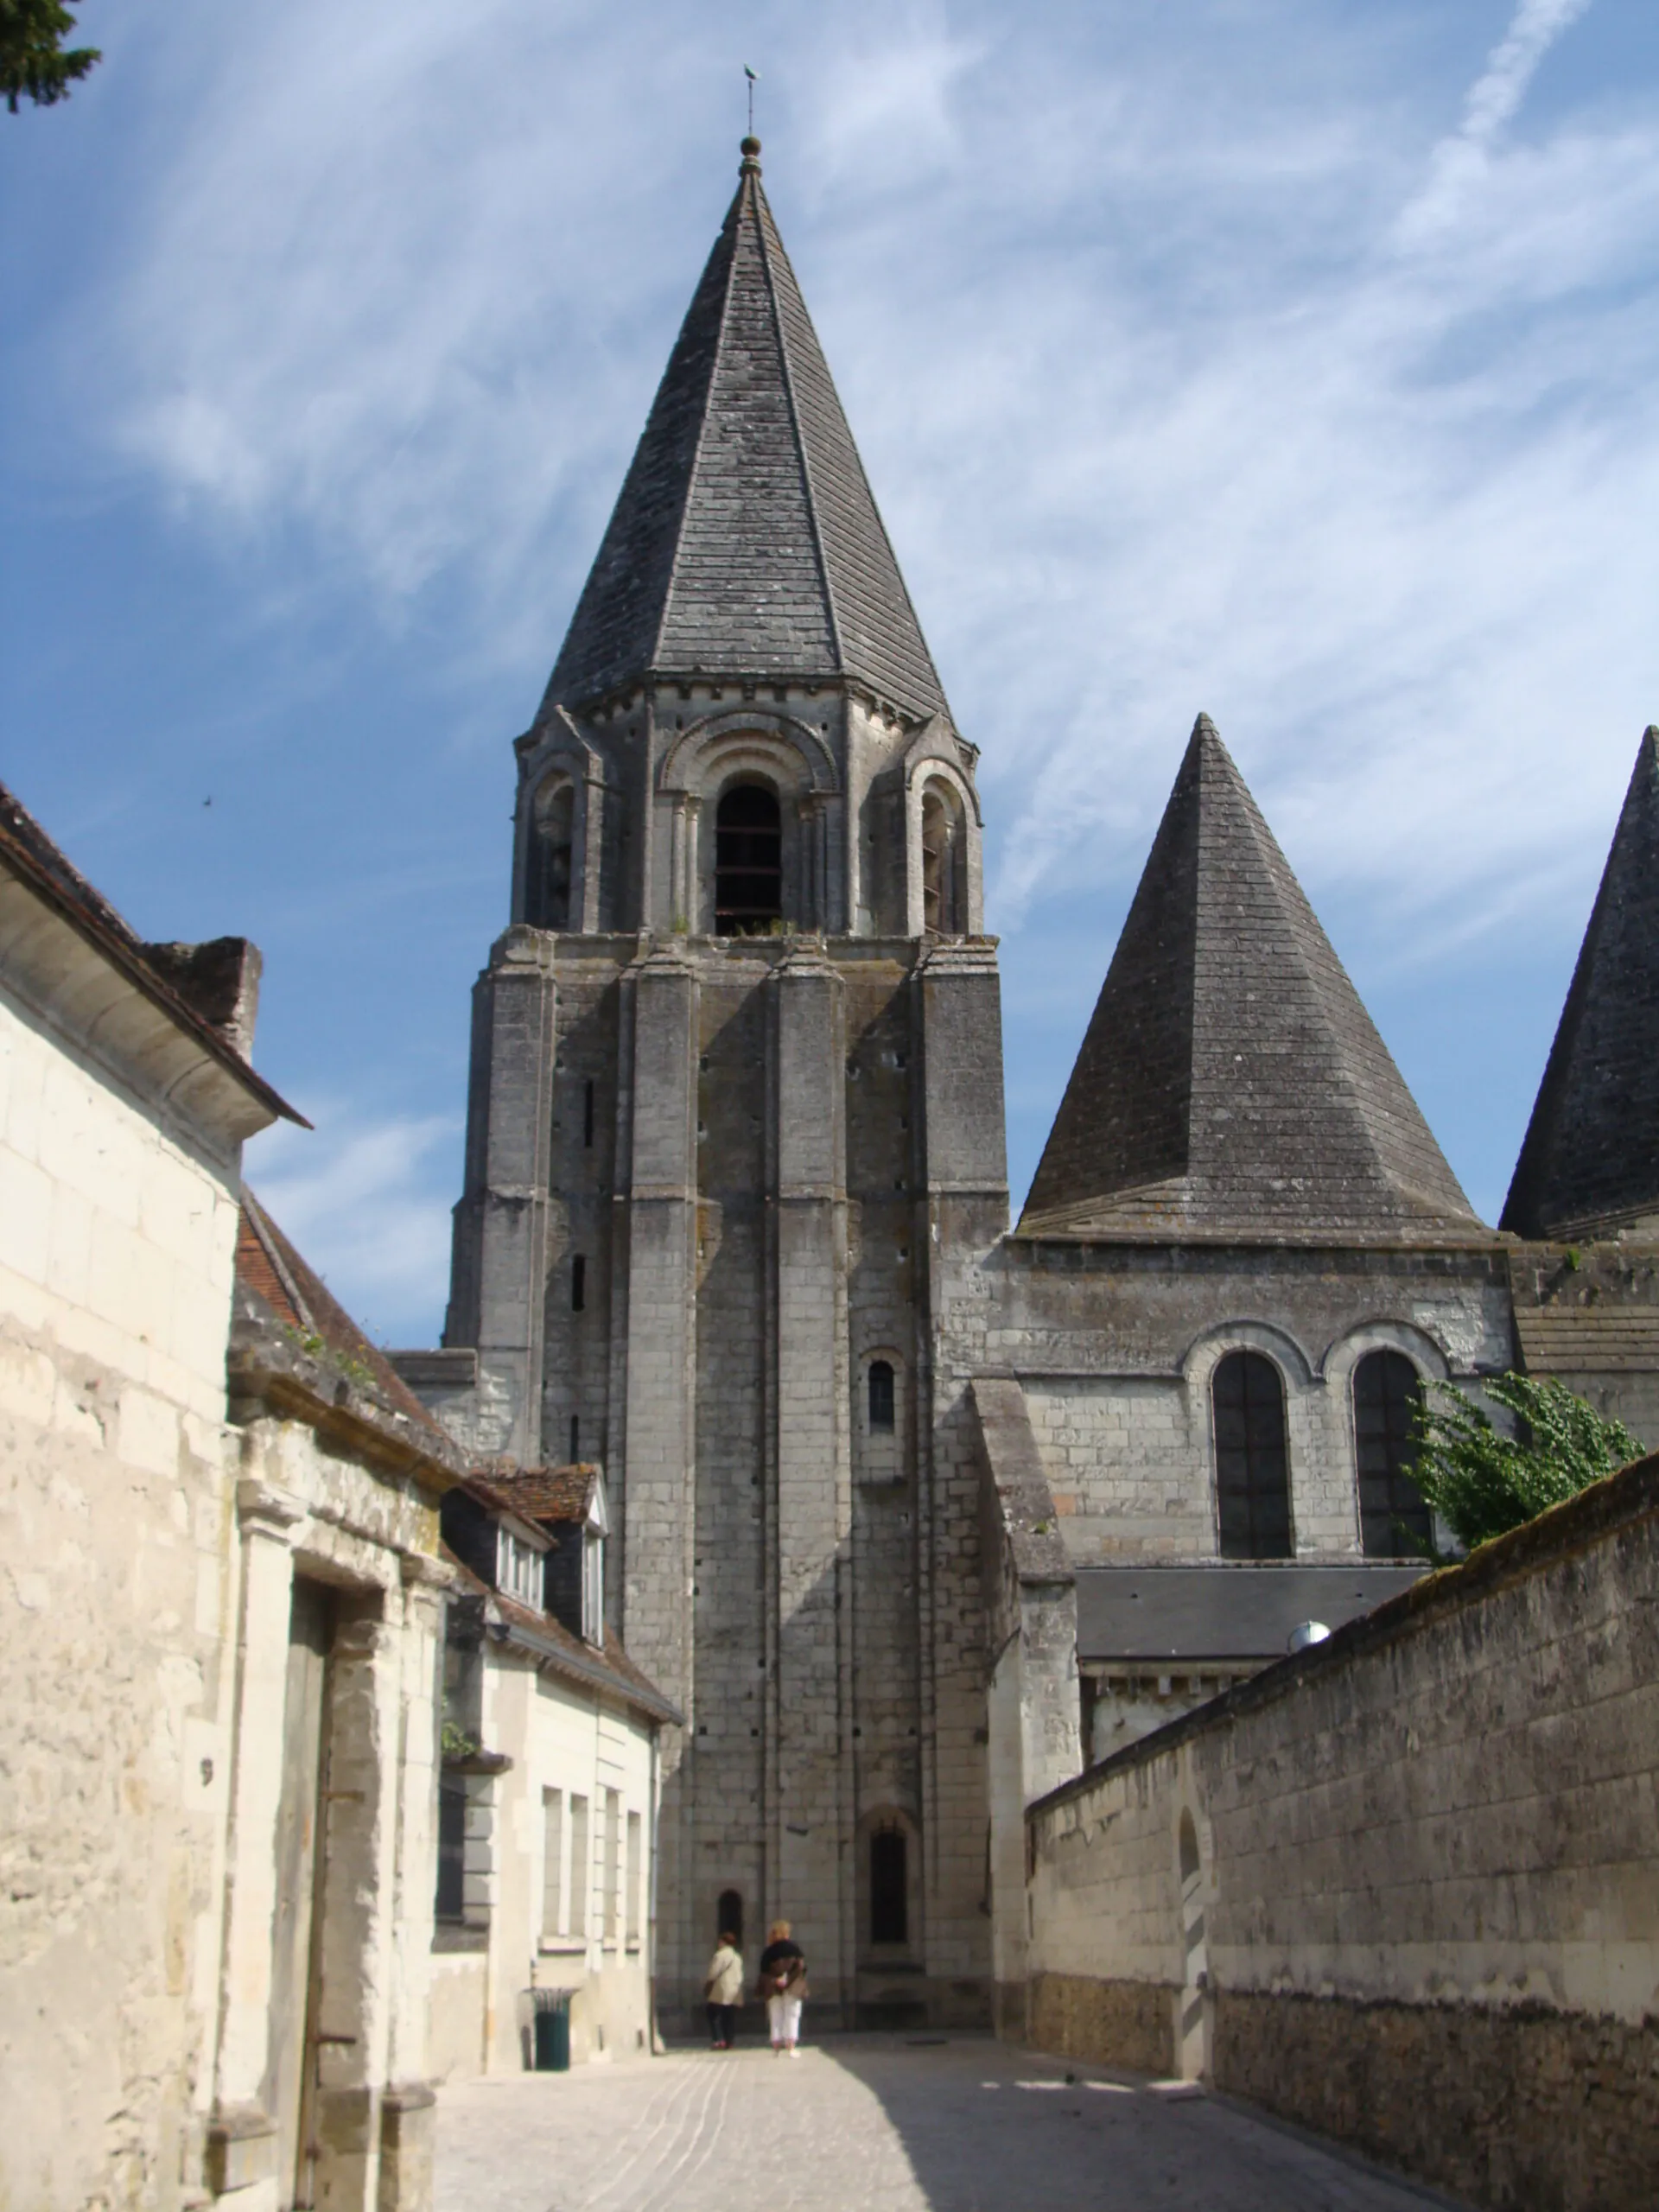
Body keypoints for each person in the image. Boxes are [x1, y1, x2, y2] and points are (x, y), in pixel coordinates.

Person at [758, 1920, 807, 2056]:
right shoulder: (794, 1948)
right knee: (792, 2014)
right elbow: (800, 1968)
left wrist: (775, 1980)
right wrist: (787, 1980)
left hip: (773, 1987)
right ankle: (790, 2046)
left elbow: (763, 1971)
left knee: (776, 2014)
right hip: (792, 1986)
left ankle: (776, 2046)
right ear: (786, 1933)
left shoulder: (768, 1951)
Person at [703, 1929, 743, 2050]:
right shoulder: (737, 1956)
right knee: (729, 2017)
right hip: (734, 1990)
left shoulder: (719, 1955)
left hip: (720, 1989)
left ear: (723, 1942)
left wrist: (707, 1983)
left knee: (713, 2014)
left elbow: (713, 1973)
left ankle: (718, 2040)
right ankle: (729, 2041)